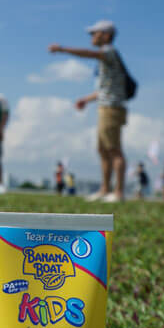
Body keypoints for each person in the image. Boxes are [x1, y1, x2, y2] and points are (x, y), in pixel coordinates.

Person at [49, 20, 132, 203]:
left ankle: (118, 192)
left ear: (106, 35)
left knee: (114, 149)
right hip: (105, 106)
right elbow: (105, 89)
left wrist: (62, 49)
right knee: (103, 149)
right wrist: (86, 99)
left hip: (112, 108)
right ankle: (105, 189)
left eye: (95, 33)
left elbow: (89, 54)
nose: (92, 37)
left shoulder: (109, 51)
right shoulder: (107, 57)